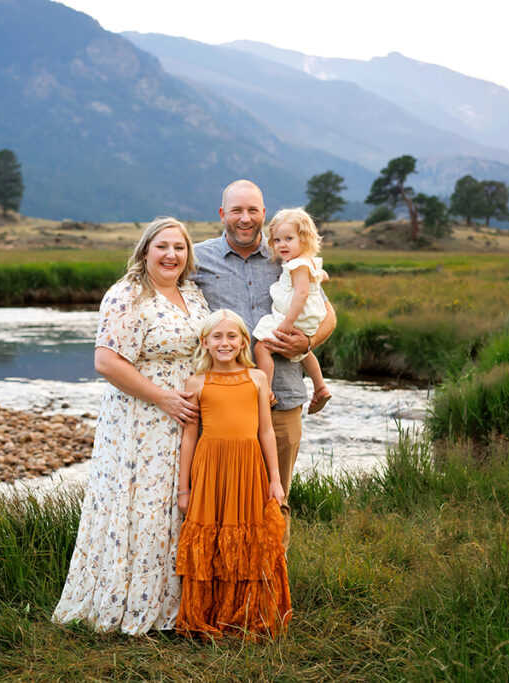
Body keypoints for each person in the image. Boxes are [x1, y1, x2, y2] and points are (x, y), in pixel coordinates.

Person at [52, 217, 210, 635]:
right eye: (162, 247)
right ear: (145, 251)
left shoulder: (193, 294)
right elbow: (106, 362)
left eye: (179, 247)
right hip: (141, 420)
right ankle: (133, 606)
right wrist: (162, 397)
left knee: (180, 503)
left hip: (188, 418)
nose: (171, 255)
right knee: (145, 506)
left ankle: (178, 606)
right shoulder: (128, 295)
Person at [192, 180, 335, 539]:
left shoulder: (286, 255)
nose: (245, 218)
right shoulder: (197, 258)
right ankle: (228, 572)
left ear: (263, 214)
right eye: (236, 210)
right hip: (221, 406)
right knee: (222, 503)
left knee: (276, 500)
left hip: (282, 398)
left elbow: (328, 315)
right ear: (222, 214)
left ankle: (273, 574)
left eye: (252, 210)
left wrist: (307, 341)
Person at [175, 309, 292, 639]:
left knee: (248, 534)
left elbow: (266, 431)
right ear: (205, 343)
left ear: (244, 342)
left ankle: (246, 612)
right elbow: (189, 437)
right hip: (211, 468)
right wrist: (184, 489)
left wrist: (275, 479)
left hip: (249, 466)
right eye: (217, 337)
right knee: (212, 535)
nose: (224, 343)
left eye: (231, 336)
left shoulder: (258, 379)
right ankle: (210, 614)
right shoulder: (196, 382)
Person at [252, 207, 332, 414]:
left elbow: (302, 294)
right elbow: (323, 276)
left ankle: (266, 390)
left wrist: (287, 322)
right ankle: (320, 386)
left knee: (262, 347)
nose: (282, 245)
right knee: (303, 351)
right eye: (277, 240)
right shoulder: (309, 261)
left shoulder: (297, 265)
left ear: (304, 239)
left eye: (289, 239)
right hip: (307, 318)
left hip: (294, 316)